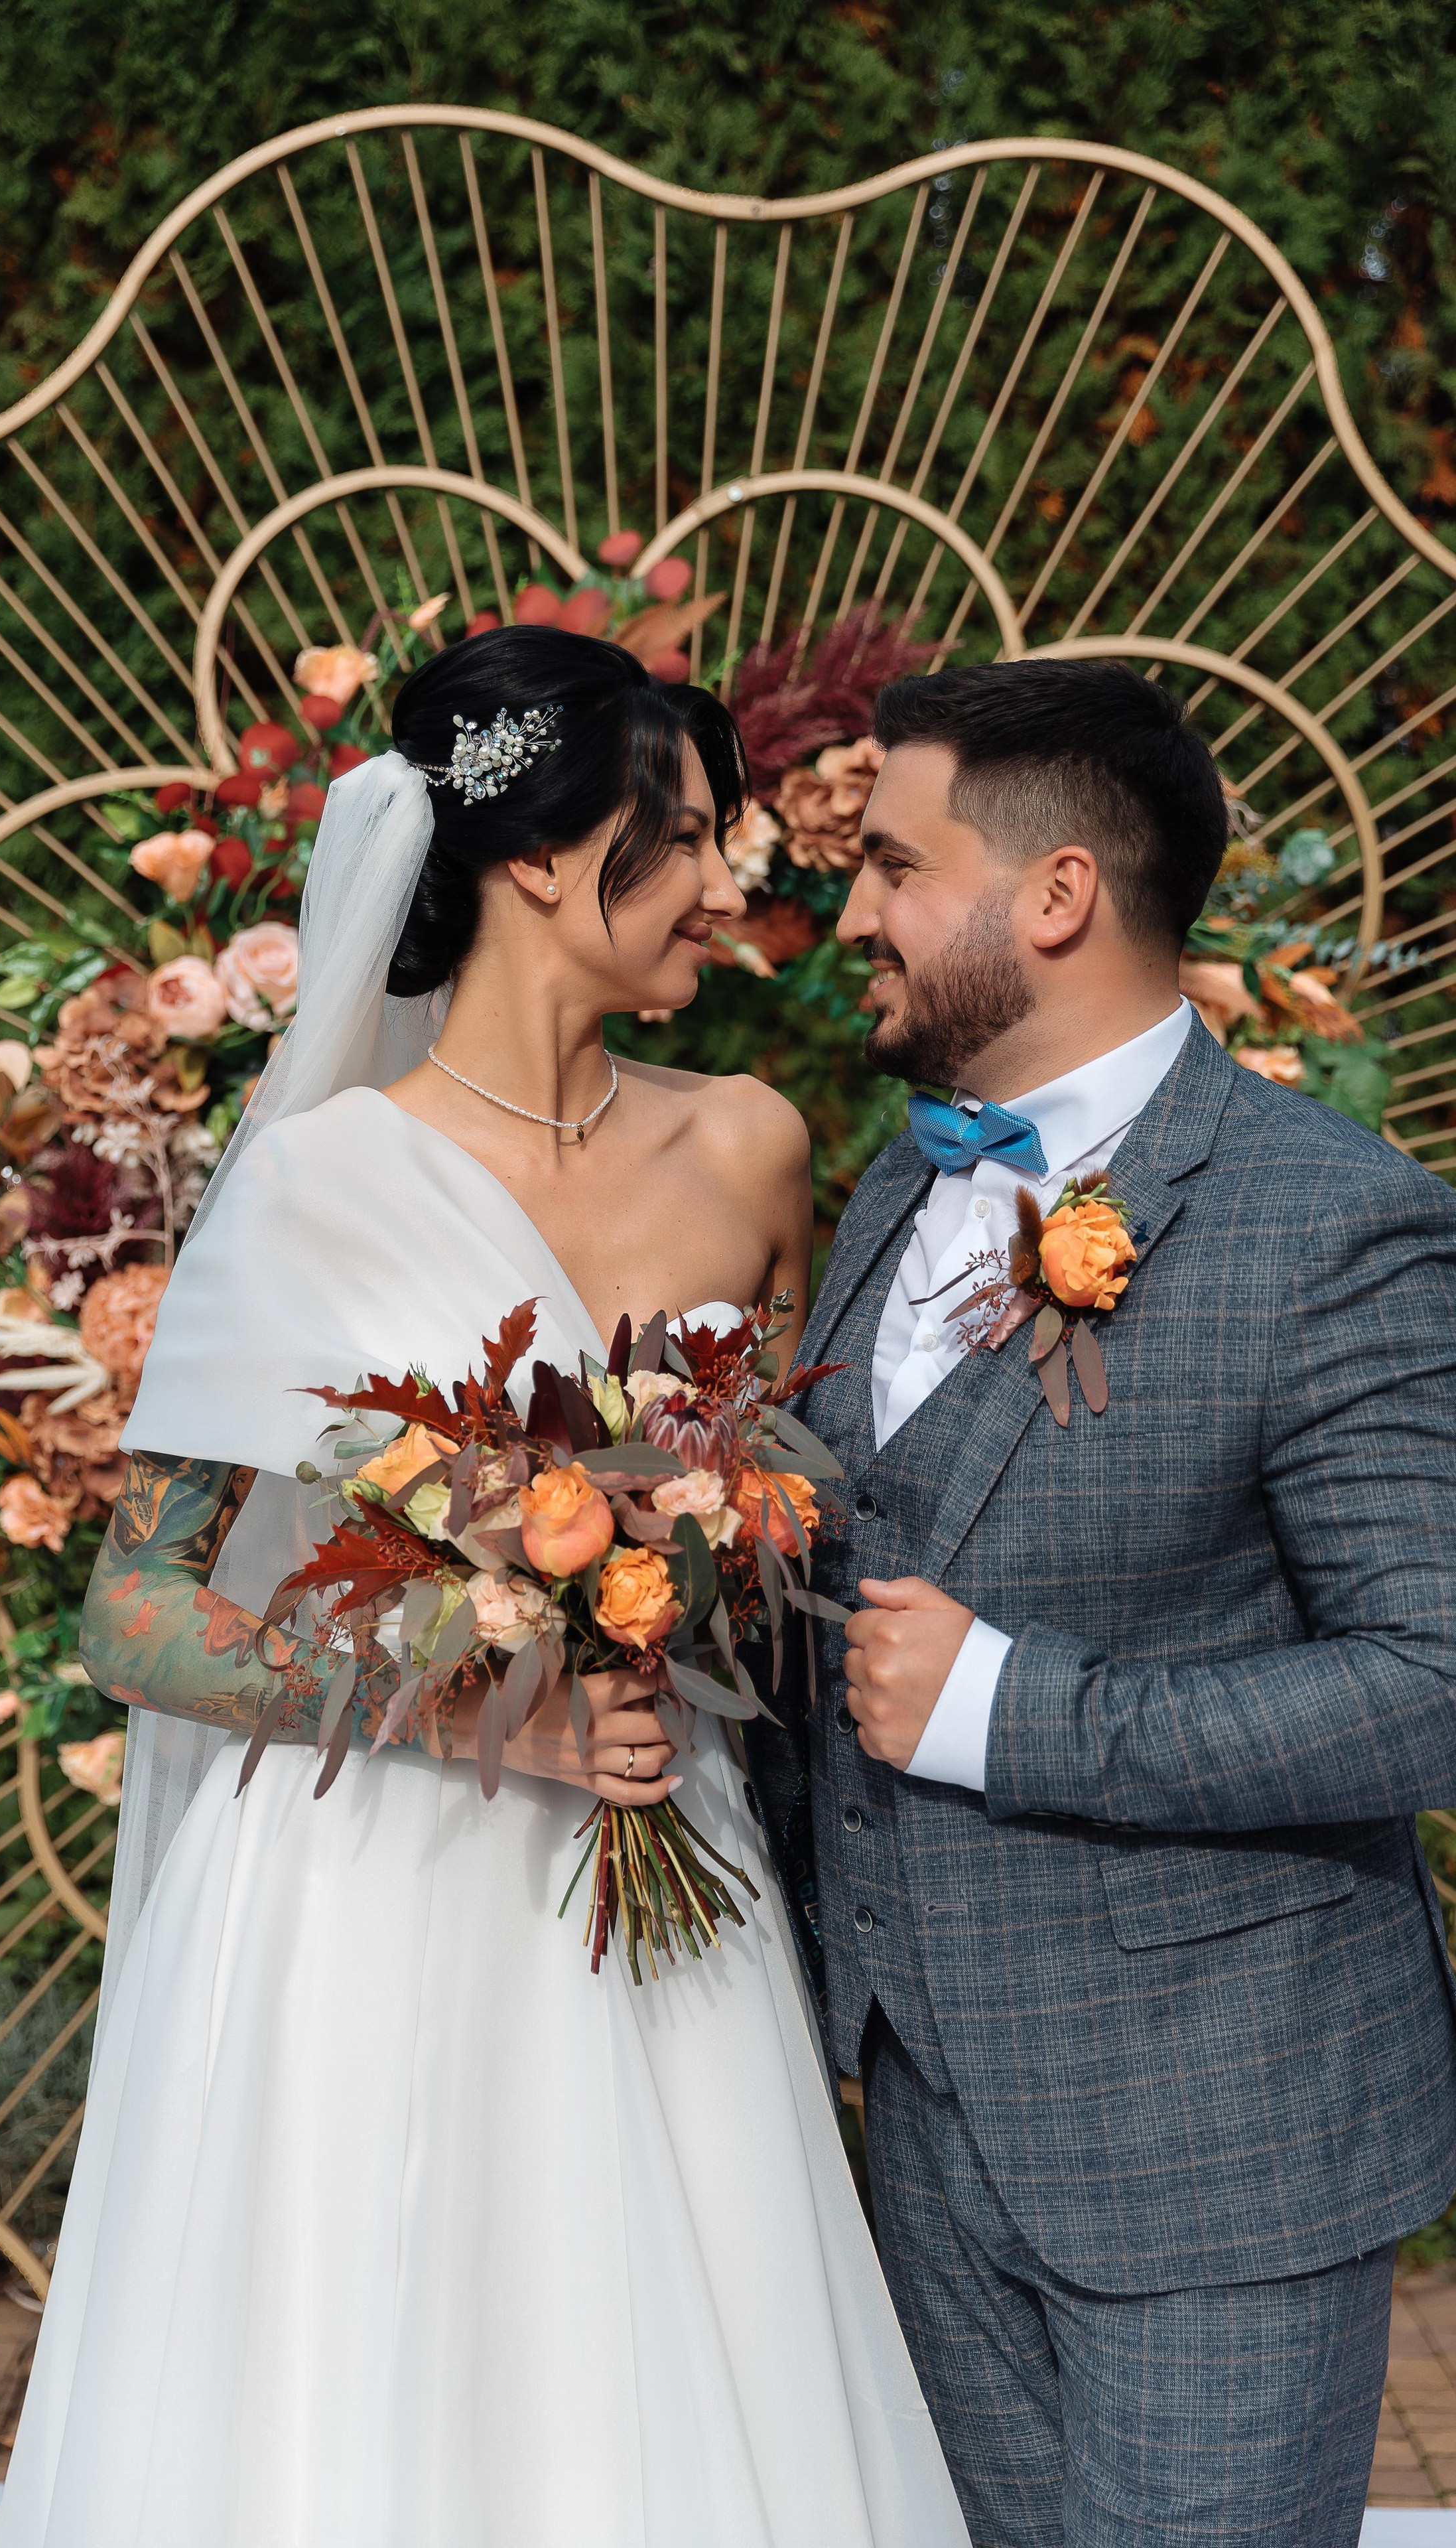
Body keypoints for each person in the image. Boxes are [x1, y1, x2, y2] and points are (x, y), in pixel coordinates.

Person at [0, 628, 968, 2548]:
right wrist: (475, 1705)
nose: (726, 883)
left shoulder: (753, 1147)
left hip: (664, 1854)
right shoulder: (315, 1184)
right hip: (363, 1894)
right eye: (678, 839)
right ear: (538, 858)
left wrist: (688, 1591)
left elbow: (794, 1519)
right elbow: (137, 1613)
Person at [751, 658, 1456, 2548]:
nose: (856, 914)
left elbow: (1436, 1676)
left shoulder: (1330, 1219)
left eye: (895, 865)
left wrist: (1009, 1709)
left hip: (1213, 2145)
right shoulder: (905, 1182)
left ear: (1054, 895)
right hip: (915, 2100)